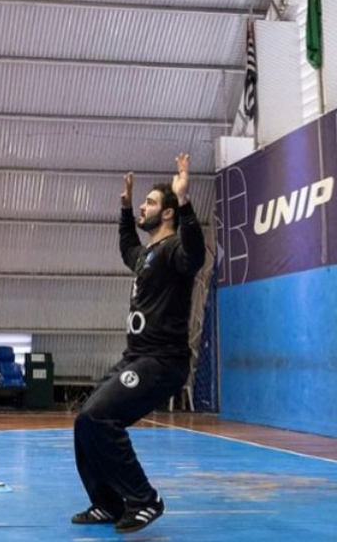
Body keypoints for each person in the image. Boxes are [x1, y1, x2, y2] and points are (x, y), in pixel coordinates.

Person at [71, 154, 205, 534]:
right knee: (85, 421)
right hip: (136, 358)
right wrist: (125, 206)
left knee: (101, 416)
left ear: (167, 214)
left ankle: (145, 499)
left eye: (149, 202)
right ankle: (106, 503)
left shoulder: (177, 251)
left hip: (162, 362)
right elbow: (127, 246)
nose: (144, 207)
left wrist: (186, 200)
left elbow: (195, 254)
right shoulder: (148, 255)